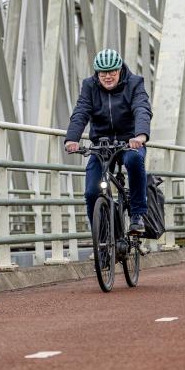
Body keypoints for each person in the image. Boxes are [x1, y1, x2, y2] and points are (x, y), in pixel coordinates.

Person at [64, 48, 152, 233]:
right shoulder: (90, 85)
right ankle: (102, 236)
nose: (108, 76)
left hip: (130, 142)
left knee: (135, 160)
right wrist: (72, 138)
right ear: (97, 72)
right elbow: (81, 111)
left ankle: (137, 214)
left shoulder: (135, 83)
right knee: (91, 192)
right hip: (101, 144)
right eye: (103, 72)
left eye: (112, 71)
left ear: (120, 69)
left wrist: (140, 135)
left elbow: (141, 108)